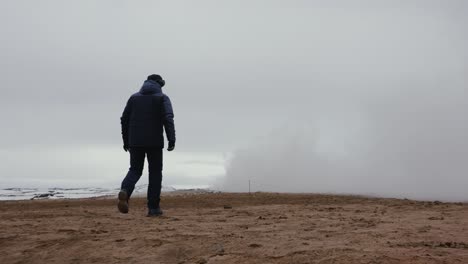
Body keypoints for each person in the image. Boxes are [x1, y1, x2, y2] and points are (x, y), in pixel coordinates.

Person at [118, 74, 176, 217]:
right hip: (155, 142)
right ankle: (153, 208)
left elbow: (124, 119)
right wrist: (171, 139)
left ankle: (125, 190)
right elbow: (168, 118)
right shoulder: (162, 98)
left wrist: (126, 141)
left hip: (135, 142)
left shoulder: (134, 98)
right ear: (160, 84)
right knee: (155, 173)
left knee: (135, 170)